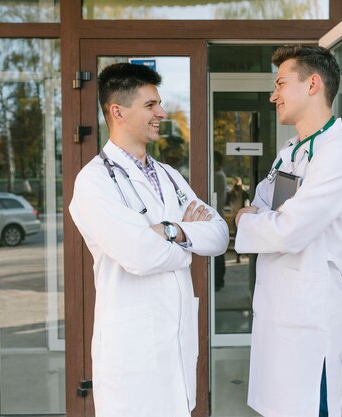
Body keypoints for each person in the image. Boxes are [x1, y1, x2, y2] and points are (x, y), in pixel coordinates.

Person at [69, 63, 229, 417]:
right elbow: (139, 255)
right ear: (118, 111)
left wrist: (169, 231)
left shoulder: (169, 175)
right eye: (150, 105)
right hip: (133, 355)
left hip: (176, 353)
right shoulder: (94, 182)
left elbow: (218, 235)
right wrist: (187, 238)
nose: (162, 112)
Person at [234, 45, 342, 417]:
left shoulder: (340, 152)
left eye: (280, 83)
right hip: (276, 311)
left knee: (308, 406)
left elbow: (289, 230)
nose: (273, 95)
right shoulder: (290, 150)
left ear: (312, 84)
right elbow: (264, 205)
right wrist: (262, 218)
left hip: (308, 319)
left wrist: (247, 220)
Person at [214, 150, 227, 290]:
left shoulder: (218, 176)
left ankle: (218, 280)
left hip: (217, 213)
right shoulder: (220, 175)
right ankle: (219, 280)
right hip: (219, 213)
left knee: (217, 254)